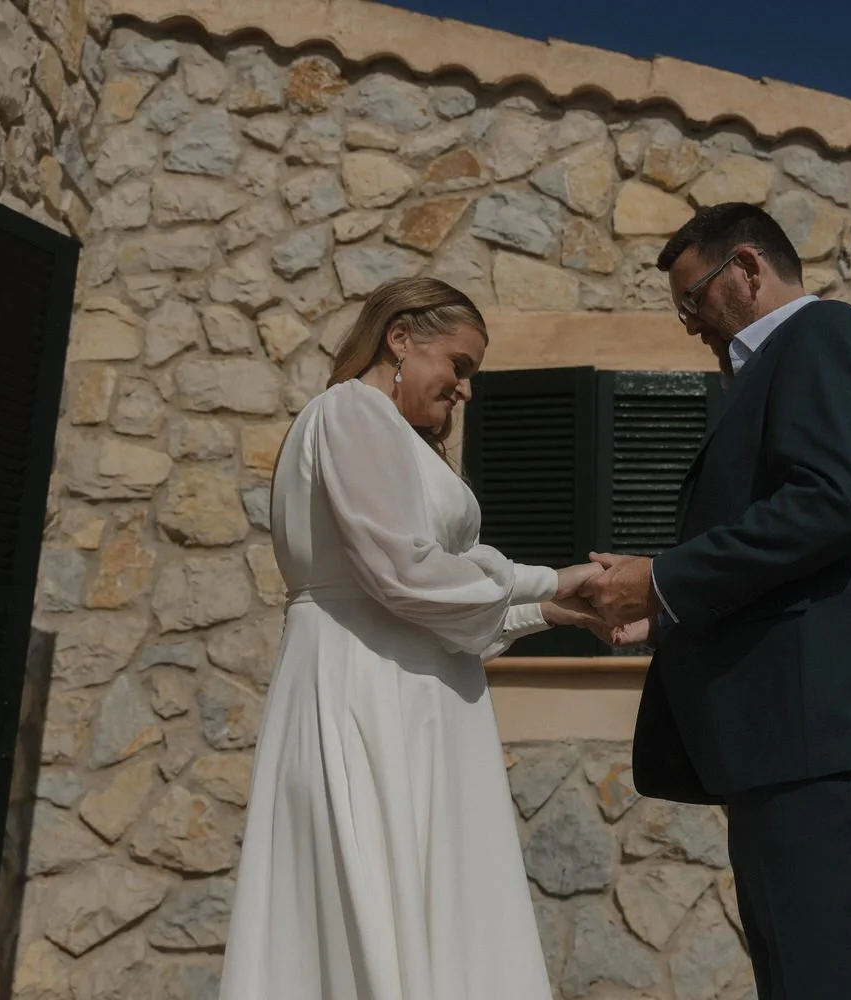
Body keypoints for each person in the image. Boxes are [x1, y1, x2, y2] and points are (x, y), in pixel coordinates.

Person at [582, 204, 851, 1000]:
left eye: (693, 298)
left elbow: (830, 505)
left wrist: (663, 577)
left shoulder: (823, 335)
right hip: (783, 746)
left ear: (748, 268)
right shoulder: (769, 371)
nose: (689, 323)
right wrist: (667, 610)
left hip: (823, 737)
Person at [218, 277, 605, 1000]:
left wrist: (549, 606)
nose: (466, 388)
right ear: (400, 337)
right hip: (367, 689)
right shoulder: (352, 411)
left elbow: (433, 598)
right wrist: (548, 582)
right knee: (373, 891)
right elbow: (402, 572)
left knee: (423, 905)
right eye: (459, 364)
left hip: (415, 691)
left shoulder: (390, 435)